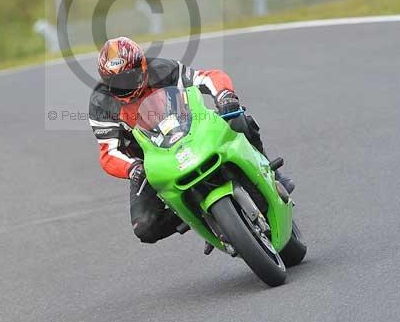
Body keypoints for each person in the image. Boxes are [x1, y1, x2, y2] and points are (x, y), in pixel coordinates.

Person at [88, 36, 294, 248]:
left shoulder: (162, 70)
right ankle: (198, 216)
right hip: (151, 161)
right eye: (115, 82)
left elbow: (206, 78)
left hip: (192, 131)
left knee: (241, 120)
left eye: (129, 77)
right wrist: (133, 168)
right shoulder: (101, 104)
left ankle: (271, 172)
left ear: (142, 66)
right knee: (145, 228)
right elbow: (108, 152)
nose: (123, 87)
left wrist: (224, 96)